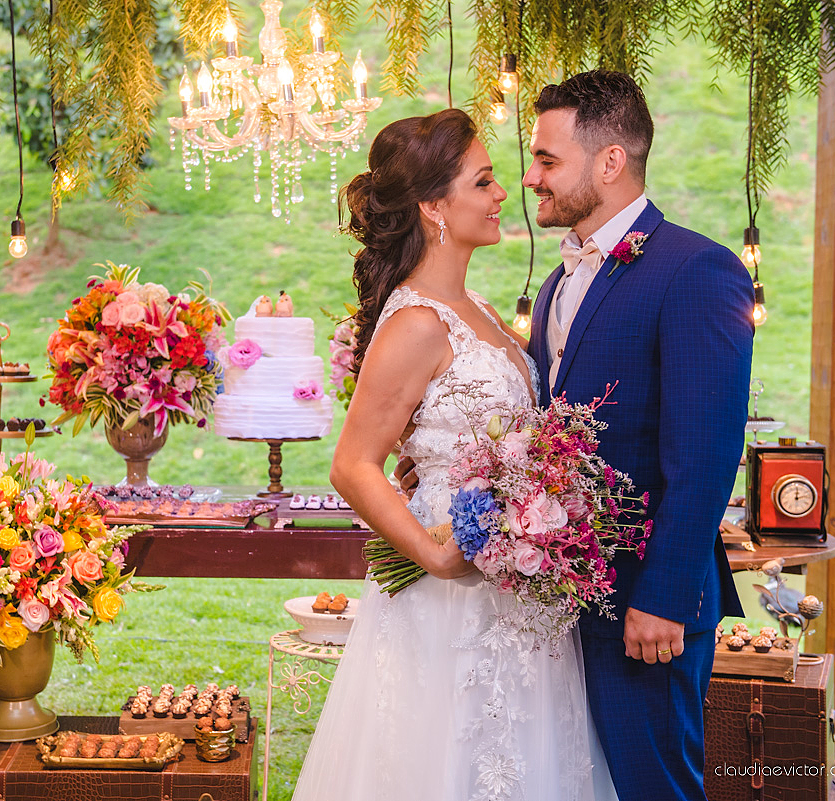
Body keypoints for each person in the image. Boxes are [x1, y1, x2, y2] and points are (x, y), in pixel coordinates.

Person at [292, 108, 617, 801]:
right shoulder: (415, 322)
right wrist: (433, 551)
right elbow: (352, 463)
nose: (506, 194)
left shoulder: (482, 308)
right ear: (434, 206)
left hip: (520, 596)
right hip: (450, 599)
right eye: (485, 181)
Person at [522, 70, 753, 800]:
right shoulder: (560, 283)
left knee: (654, 786)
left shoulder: (699, 270)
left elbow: (706, 455)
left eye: (547, 160)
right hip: (565, 600)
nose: (530, 177)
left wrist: (663, 596)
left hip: (644, 605)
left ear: (610, 161)